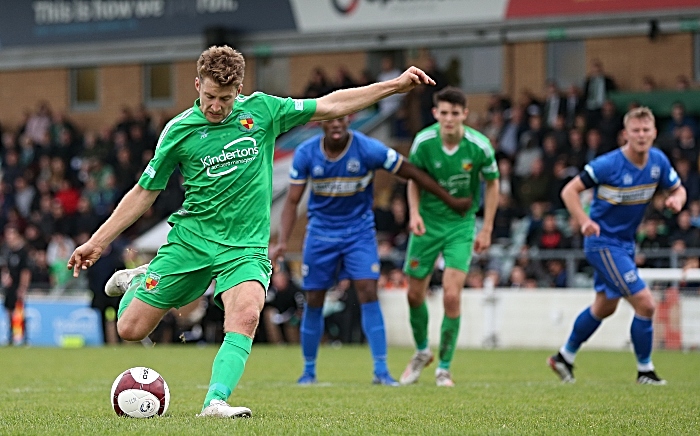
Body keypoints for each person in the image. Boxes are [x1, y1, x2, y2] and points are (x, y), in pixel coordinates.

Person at [66, 45, 437, 418]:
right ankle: (140, 279)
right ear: (197, 85)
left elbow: (330, 104)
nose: (216, 106)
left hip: (245, 247)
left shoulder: (262, 111)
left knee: (246, 315)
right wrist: (98, 241)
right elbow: (144, 191)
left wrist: (394, 85)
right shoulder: (178, 131)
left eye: (225, 99)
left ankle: (215, 401)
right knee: (130, 329)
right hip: (191, 242)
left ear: (239, 90)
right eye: (209, 96)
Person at [269, 115, 471, 386]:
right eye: (331, 120)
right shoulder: (307, 153)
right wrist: (282, 241)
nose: (337, 124)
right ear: (321, 124)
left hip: (359, 234)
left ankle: (381, 371)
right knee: (314, 297)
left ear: (349, 121)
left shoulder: (368, 148)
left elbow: (409, 171)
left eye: (343, 119)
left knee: (367, 291)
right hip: (320, 234)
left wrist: (448, 198)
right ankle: (308, 371)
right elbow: (292, 201)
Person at [548, 107, 686, 385]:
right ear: (626, 134)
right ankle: (645, 371)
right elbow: (569, 190)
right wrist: (584, 220)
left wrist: (678, 200)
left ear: (654, 133)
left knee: (604, 306)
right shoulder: (607, 164)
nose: (641, 135)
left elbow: (678, 188)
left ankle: (564, 357)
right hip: (602, 243)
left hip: (624, 245)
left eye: (646, 130)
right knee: (646, 304)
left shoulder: (658, 161)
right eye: (636, 130)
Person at [399, 87, 500, 387]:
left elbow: (493, 184)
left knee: (452, 294)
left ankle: (443, 367)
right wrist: (414, 214)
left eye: (455, 113)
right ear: (435, 114)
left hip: (460, 225)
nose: (449, 118)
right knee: (414, 293)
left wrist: (487, 227)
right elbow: (413, 180)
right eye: (443, 113)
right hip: (428, 223)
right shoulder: (424, 142)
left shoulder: (479, 146)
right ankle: (420, 353)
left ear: (464, 115)